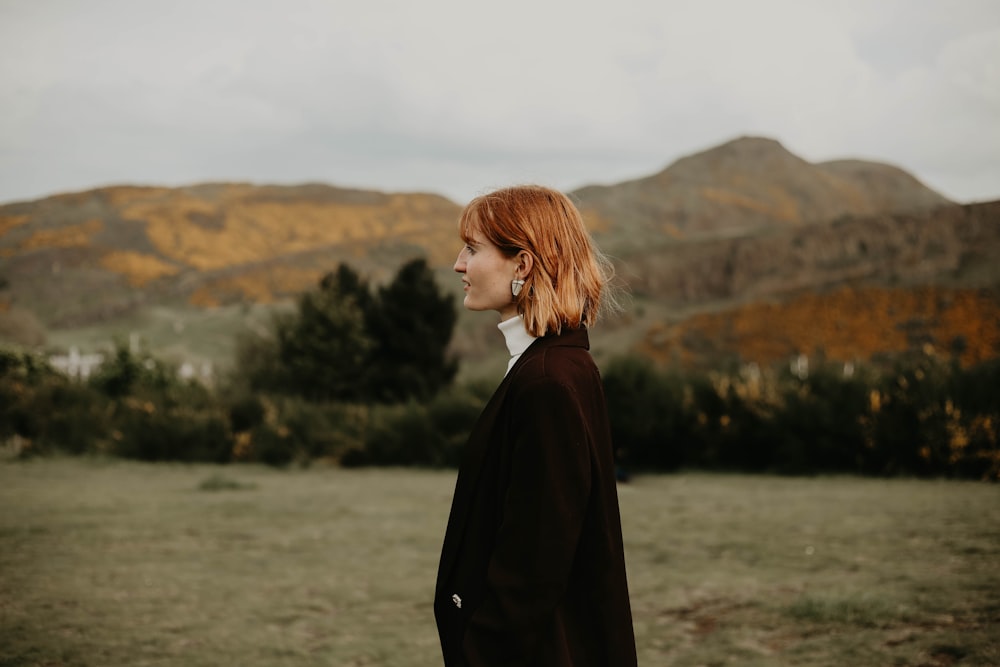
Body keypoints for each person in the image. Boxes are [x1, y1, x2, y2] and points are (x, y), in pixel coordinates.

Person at [434, 185, 637, 666]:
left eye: (473, 248)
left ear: (522, 265)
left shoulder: (547, 380)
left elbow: (535, 560)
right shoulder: (555, 364)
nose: (459, 265)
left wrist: (479, 647)